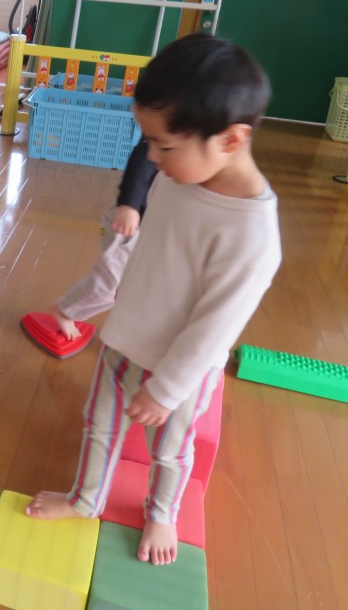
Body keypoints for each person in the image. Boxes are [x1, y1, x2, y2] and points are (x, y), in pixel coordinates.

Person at [27, 34, 282, 566]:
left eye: (164, 147)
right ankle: (85, 500)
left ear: (231, 139)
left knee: (170, 450)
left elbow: (213, 328)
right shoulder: (180, 176)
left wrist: (166, 390)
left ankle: (162, 512)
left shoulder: (252, 237)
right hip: (122, 342)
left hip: (178, 371)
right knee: (98, 427)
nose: (150, 157)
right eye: (149, 141)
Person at [52, 139, 156, 342]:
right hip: (127, 225)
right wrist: (129, 205)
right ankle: (64, 310)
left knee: (132, 285)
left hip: (151, 229)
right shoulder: (163, 141)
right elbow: (142, 161)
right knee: (111, 285)